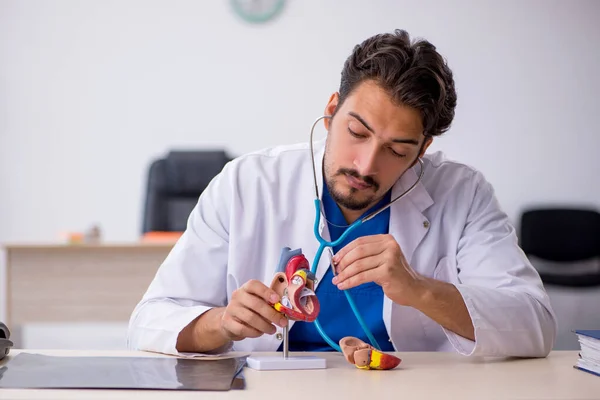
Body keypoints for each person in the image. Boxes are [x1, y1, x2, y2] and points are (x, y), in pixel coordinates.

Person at [127, 29, 557, 357]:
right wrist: (221, 323)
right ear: (331, 112)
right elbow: (150, 318)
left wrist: (419, 290)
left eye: (397, 149)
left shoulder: (463, 194)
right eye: (357, 132)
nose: (366, 165)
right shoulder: (247, 183)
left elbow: (534, 324)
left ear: (422, 150)